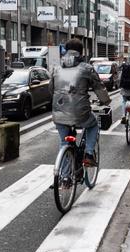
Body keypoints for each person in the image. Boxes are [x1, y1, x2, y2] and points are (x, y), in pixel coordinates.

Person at [49, 38, 111, 166]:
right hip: (79, 112)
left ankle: (65, 178)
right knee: (93, 124)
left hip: (59, 112)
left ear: (66, 51)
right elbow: (98, 87)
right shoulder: (87, 68)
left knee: (64, 142)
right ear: (81, 52)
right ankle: (88, 154)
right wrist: (105, 101)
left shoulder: (56, 68)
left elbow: (51, 89)